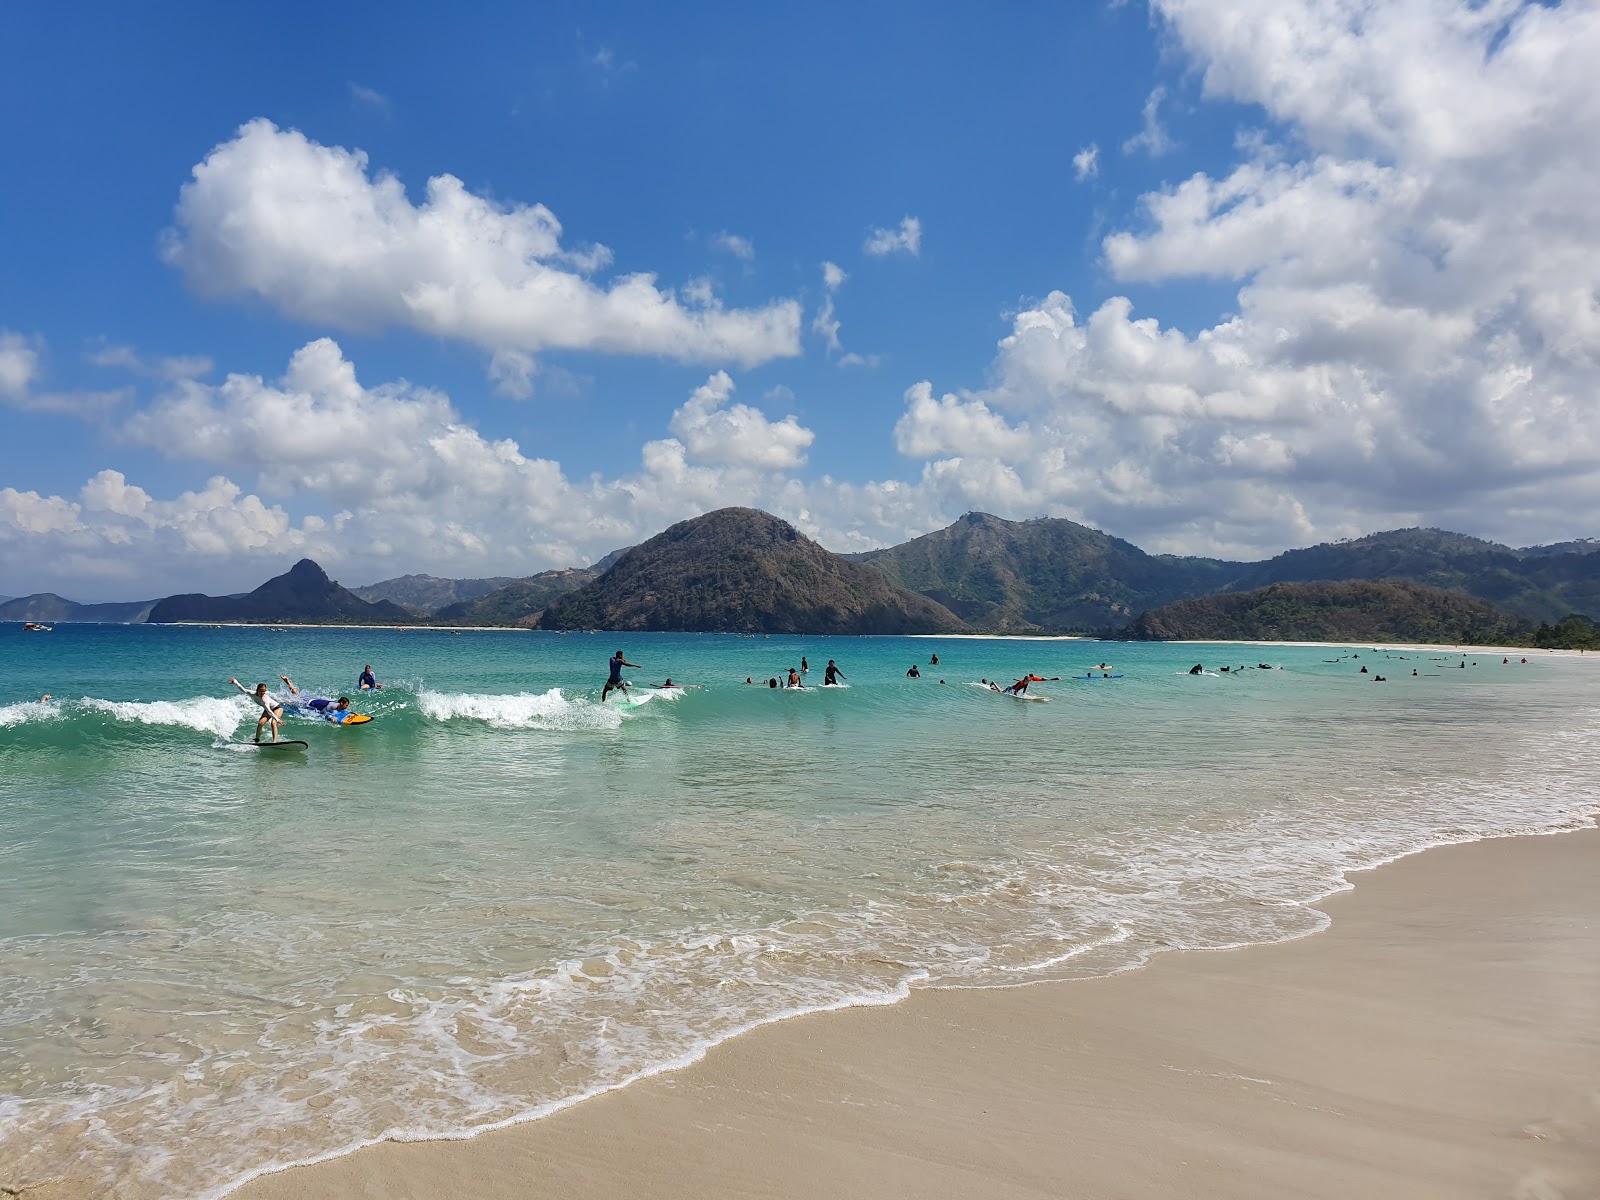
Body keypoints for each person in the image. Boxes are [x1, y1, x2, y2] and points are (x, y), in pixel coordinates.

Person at [279, 675, 359, 724]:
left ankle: (288, 682)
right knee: (290, 702)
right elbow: (324, 712)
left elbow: (340, 711)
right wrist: (331, 717)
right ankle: (279, 699)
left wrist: (351, 713)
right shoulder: (333, 706)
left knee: (296, 695)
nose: (347, 707)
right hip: (308, 703)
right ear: (341, 703)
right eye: (346, 705)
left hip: (312, 699)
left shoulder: (337, 705)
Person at [230, 677, 284, 743]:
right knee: (260, 723)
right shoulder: (252, 693)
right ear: (257, 690)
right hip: (268, 710)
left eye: (264, 691)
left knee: (273, 722)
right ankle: (257, 740)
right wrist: (235, 682)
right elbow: (243, 689)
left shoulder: (265, 700)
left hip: (277, 708)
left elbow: (269, 711)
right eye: (261, 691)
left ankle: (275, 741)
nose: (262, 693)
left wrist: (277, 719)